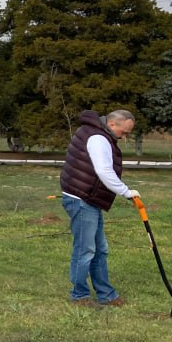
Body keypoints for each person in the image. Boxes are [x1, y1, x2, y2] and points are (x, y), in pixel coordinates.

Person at [60, 109, 138, 307]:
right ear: (112, 124)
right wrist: (126, 192)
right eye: (124, 132)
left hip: (89, 199)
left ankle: (106, 295)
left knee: (100, 250)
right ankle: (79, 296)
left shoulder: (98, 133)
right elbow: (104, 171)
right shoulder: (98, 138)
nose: (124, 137)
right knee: (85, 250)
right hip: (80, 199)